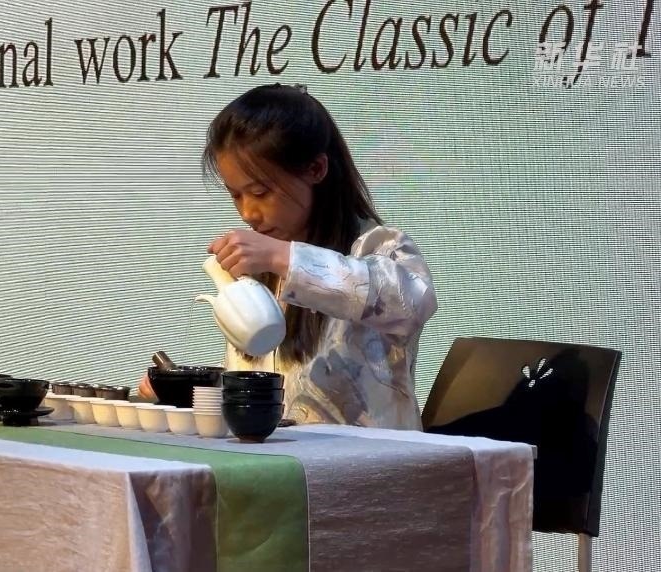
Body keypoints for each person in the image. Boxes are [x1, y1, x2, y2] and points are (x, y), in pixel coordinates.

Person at [138, 83, 437, 430]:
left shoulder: (377, 247)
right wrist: (195, 390)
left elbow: (413, 301)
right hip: (279, 458)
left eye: (260, 192)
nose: (248, 213)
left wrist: (286, 258)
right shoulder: (258, 269)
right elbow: (274, 384)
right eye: (236, 195)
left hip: (373, 459)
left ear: (316, 169)